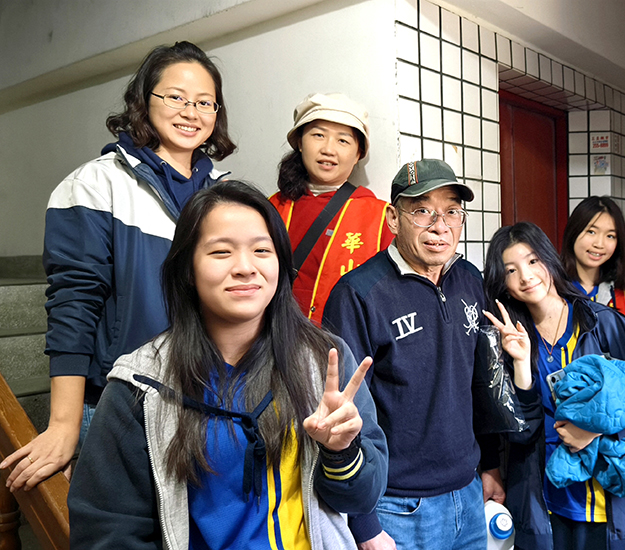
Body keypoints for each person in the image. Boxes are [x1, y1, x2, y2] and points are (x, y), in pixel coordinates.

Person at [68, 180, 388, 549]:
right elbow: (108, 530)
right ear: (188, 269)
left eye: (262, 250)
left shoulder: (323, 362)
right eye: (221, 252)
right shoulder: (141, 385)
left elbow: (361, 499)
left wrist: (341, 452)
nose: (245, 267)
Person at [1, 41, 236, 491]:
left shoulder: (224, 195)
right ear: (144, 100)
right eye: (176, 97)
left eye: (204, 102)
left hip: (208, 401)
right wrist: (64, 424)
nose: (190, 112)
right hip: (120, 403)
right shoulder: (95, 184)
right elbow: (74, 305)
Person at [323, 159, 499, 550]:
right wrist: (364, 523)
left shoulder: (470, 279)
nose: (440, 226)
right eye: (422, 211)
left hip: (469, 492)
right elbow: (345, 411)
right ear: (393, 218)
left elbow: (479, 383)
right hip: (397, 506)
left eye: (452, 212)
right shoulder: (359, 294)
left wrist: (489, 464)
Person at [482, 221, 625, 550]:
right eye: (511, 270)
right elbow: (519, 434)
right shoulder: (508, 341)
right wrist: (521, 363)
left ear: (549, 260)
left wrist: (600, 431)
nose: (526, 276)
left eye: (532, 261)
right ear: (502, 283)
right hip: (542, 507)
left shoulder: (601, 323)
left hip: (610, 507)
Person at [269, 92, 394, 326]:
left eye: (343, 140)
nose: (328, 149)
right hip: (274, 337)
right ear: (300, 142)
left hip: (343, 342)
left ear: (358, 154)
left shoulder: (380, 218)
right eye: (318, 135)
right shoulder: (270, 208)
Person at [561, 196, 625, 327]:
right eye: (591, 232)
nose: (599, 244)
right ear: (573, 232)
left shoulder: (621, 296)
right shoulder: (553, 289)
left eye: (610, 236)